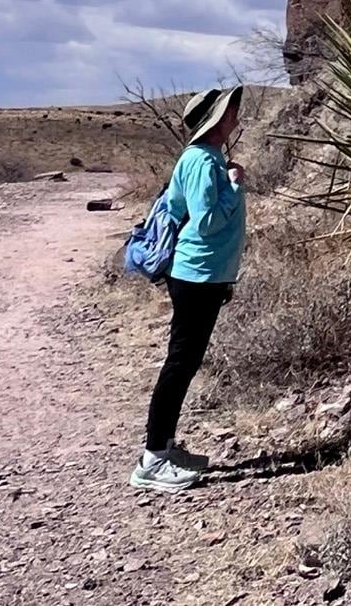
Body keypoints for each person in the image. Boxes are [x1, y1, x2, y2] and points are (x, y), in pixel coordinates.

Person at [130, 84, 246, 494]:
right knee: (179, 364)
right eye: (230, 109)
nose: (236, 114)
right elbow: (208, 222)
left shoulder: (207, 158)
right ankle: (152, 460)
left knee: (185, 362)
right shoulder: (202, 161)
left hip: (205, 276)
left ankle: (164, 448)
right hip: (195, 275)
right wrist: (234, 185)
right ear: (215, 120)